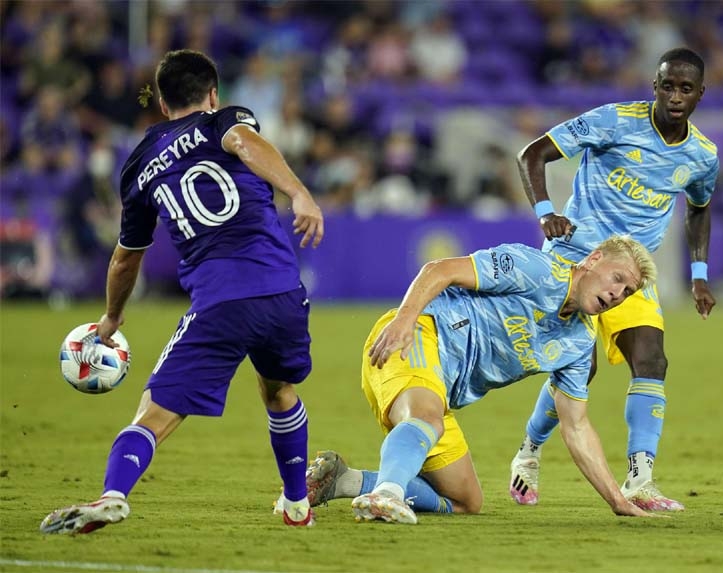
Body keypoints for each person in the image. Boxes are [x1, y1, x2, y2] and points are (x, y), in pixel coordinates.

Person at [40, 49, 324, 534]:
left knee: (154, 411)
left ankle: (111, 495)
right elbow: (244, 141)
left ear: (163, 104)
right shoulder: (225, 121)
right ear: (212, 94)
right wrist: (299, 192)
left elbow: (126, 257)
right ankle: (297, 504)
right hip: (282, 293)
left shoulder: (138, 166)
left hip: (220, 301)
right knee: (279, 389)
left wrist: (111, 318)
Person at [289, 235, 659, 524]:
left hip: (441, 387)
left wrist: (617, 500)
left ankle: (343, 480)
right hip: (416, 335)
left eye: (628, 292)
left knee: (466, 501)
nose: (617, 294)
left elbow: (576, 427)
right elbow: (438, 269)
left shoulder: (580, 341)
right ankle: (387, 494)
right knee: (426, 418)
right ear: (593, 259)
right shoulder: (536, 269)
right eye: (617, 279)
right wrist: (404, 319)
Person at [507, 47, 718, 512]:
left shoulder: (702, 155)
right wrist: (546, 213)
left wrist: (699, 274)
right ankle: (528, 451)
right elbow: (533, 154)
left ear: (701, 93)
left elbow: (700, 208)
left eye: (686, 88)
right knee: (578, 367)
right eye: (667, 86)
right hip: (577, 264)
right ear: (655, 86)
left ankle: (640, 479)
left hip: (633, 274)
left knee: (653, 360)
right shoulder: (614, 121)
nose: (675, 96)